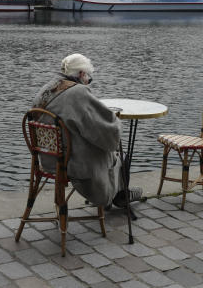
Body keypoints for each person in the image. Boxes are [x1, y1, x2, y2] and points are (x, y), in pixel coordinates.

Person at [31, 53, 141, 208]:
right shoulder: (78, 92)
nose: (88, 82)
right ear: (82, 74)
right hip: (71, 163)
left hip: (49, 159)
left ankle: (119, 194)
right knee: (121, 155)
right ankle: (119, 196)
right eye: (89, 78)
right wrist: (115, 120)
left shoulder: (48, 88)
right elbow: (106, 132)